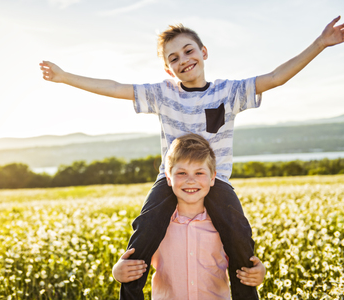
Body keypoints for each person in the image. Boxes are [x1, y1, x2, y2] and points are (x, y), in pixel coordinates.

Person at [39, 17, 344, 300]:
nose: (183, 60)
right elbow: (116, 88)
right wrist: (65, 77)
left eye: (188, 51)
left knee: (239, 234)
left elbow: (276, 77)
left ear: (204, 52)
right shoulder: (163, 94)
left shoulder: (229, 92)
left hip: (216, 180)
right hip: (170, 180)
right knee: (144, 230)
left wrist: (320, 43)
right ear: (167, 69)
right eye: (173, 58)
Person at [112, 133, 266, 299]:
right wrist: (118, 272)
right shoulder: (156, 226)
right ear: (168, 178)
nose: (190, 180)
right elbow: (136, 261)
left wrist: (258, 272)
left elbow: (240, 261)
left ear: (213, 178)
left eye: (199, 173)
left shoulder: (224, 226)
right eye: (182, 173)